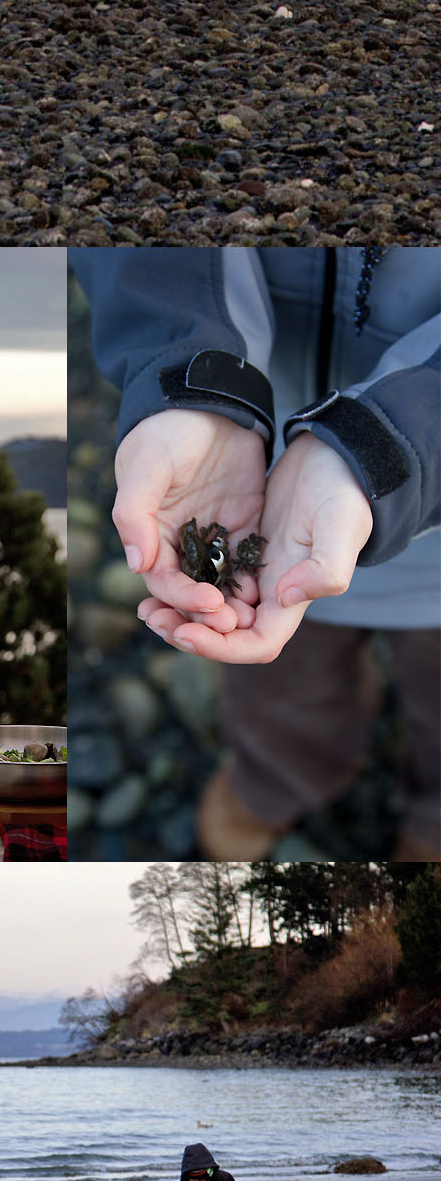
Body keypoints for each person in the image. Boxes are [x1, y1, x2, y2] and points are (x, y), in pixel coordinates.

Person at [73, 245, 441, 859]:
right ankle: (274, 782)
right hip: (275, 513)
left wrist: (376, 448)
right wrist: (191, 379)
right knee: (282, 693)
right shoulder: (233, 545)